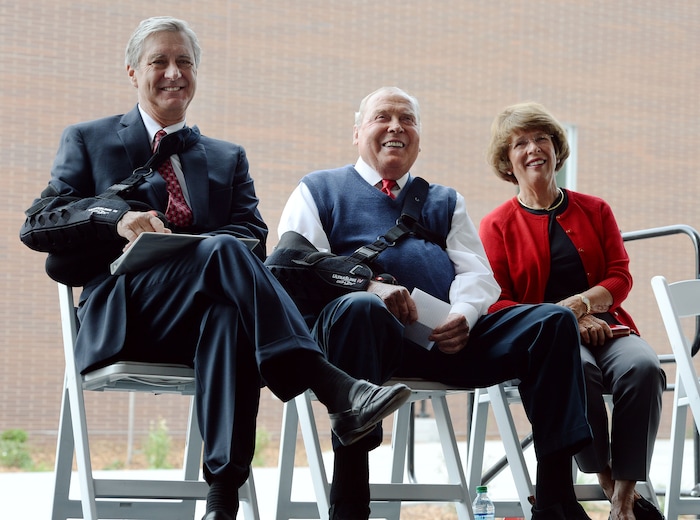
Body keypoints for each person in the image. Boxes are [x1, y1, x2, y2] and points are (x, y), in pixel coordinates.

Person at [18, 18, 411, 520]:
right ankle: (330, 383)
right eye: (159, 61)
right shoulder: (89, 139)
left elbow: (253, 236)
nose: (173, 72)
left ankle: (221, 502)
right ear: (133, 72)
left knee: (228, 296)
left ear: (196, 72)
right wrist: (116, 218)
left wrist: (207, 248)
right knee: (224, 253)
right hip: (124, 314)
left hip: (202, 320)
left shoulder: (226, 157)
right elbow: (37, 224)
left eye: (184, 62)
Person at [272, 86, 594, 520]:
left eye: (407, 120)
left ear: (419, 136)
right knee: (362, 311)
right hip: (359, 346)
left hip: (443, 340)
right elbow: (292, 266)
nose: (395, 127)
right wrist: (369, 288)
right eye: (382, 117)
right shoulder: (319, 189)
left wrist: (462, 315)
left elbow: (476, 273)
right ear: (357, 132)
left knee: (553, 322)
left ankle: (556, 499)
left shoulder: (443, 199)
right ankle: (349, 504)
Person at [480, 101, 666, 520]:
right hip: (547, 342)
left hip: (609, 327)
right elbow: (497, 300)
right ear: (507, 162)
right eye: (520, 143)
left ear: (556, 148)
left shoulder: (595, 209)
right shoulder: (496, 225)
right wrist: (566, 321)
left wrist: (582, 305)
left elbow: (620, 276)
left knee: (644, 368)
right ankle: (603, 478)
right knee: (576, 373)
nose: (533, 150)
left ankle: (623, 495)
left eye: (541, 138)